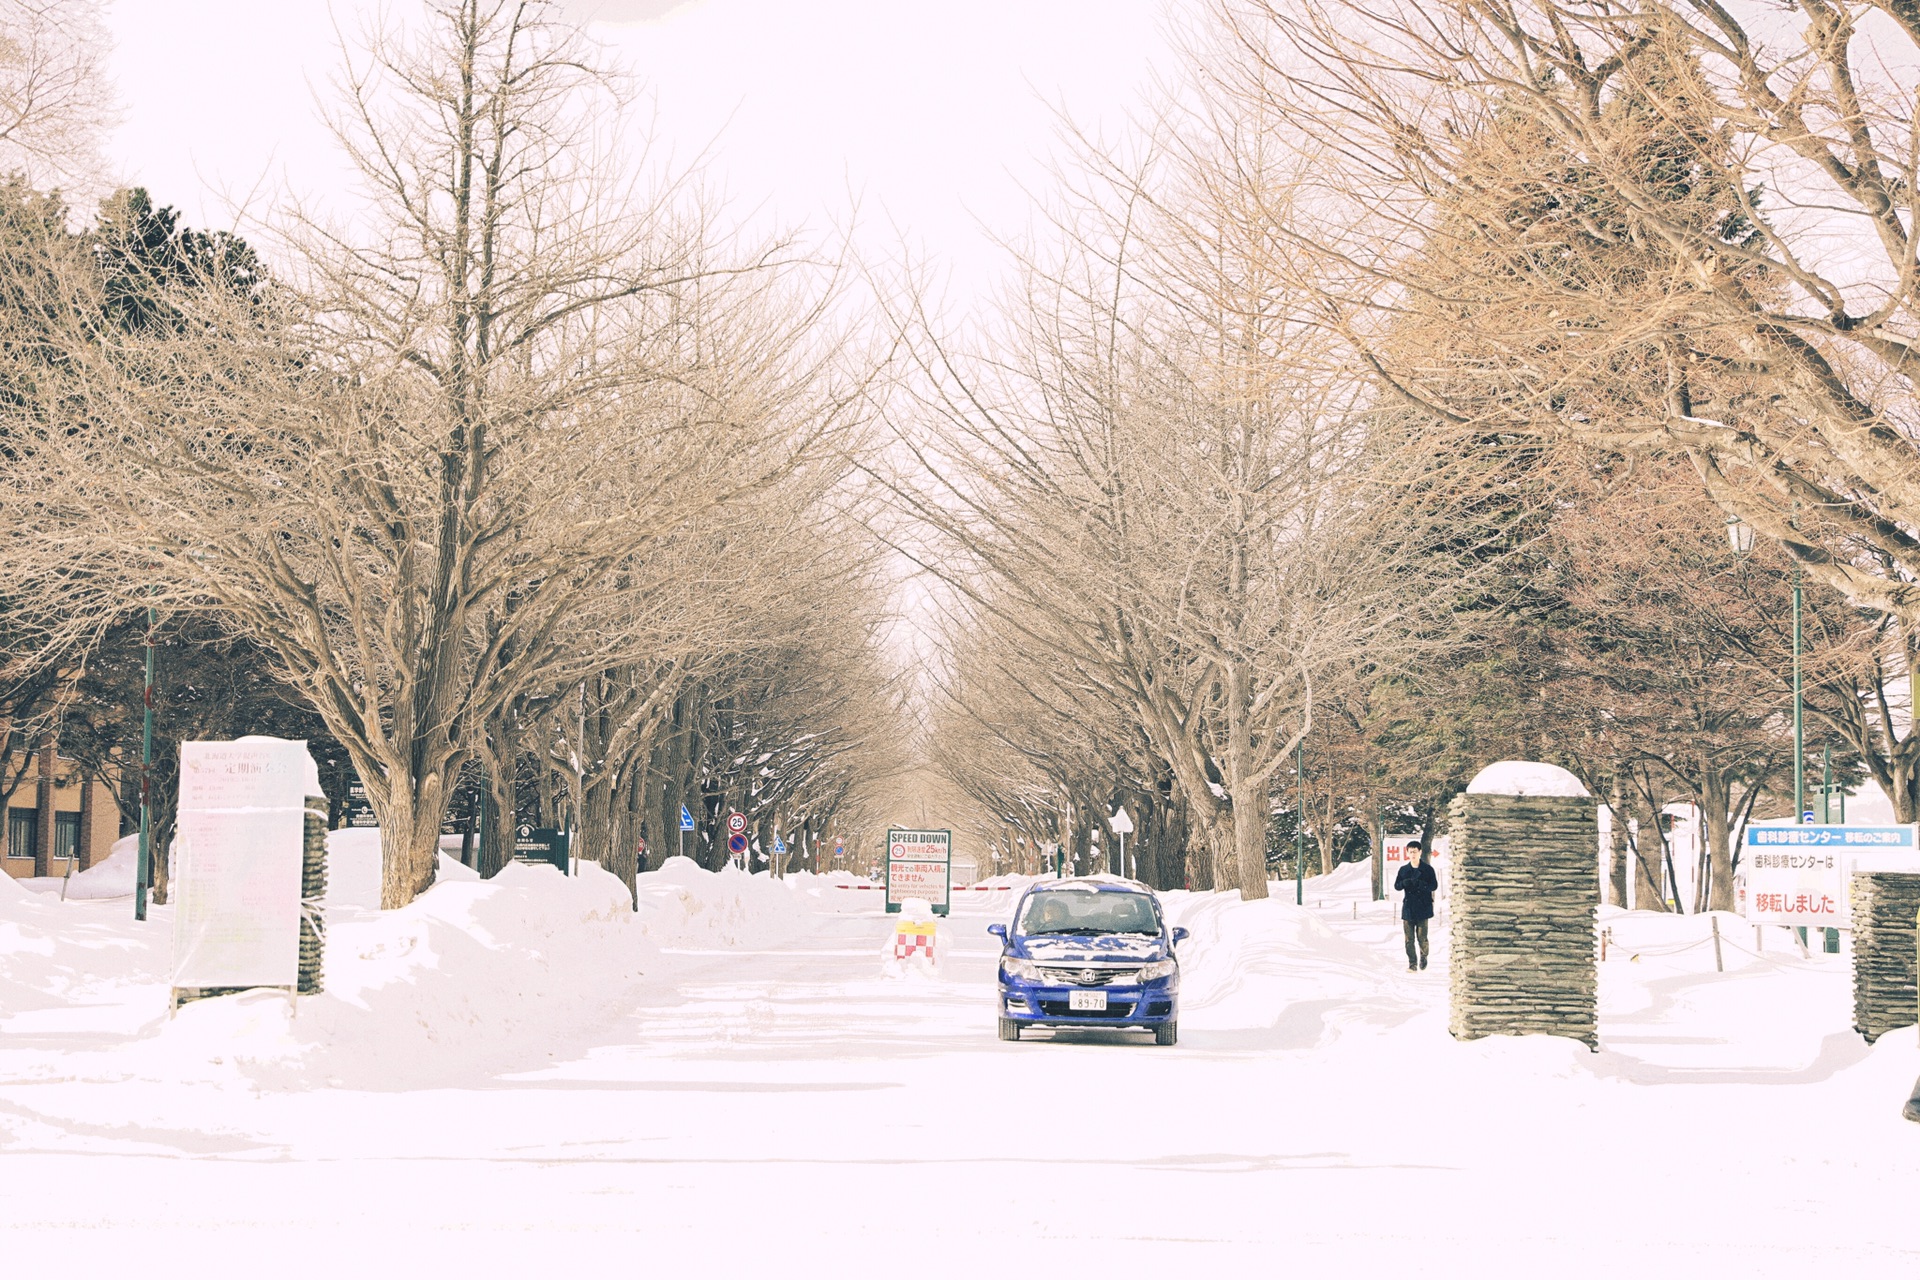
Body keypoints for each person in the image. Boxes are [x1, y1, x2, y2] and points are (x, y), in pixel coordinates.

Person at [1395, 840, 1439, 972]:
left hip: (1423, 907)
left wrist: (1422, 885)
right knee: (1409, 939)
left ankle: (1424, 956)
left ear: (1420, 852)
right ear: (1407, 853)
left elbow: (1434, 886)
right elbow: (1396, 886)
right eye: (1410, 852)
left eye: (1415, 851)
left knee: (1422, 937)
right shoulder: (1404, 870)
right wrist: (1404, 882)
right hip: (1408, 907)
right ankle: (1412, 963)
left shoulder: (1427, 869)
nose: (1413, 854)